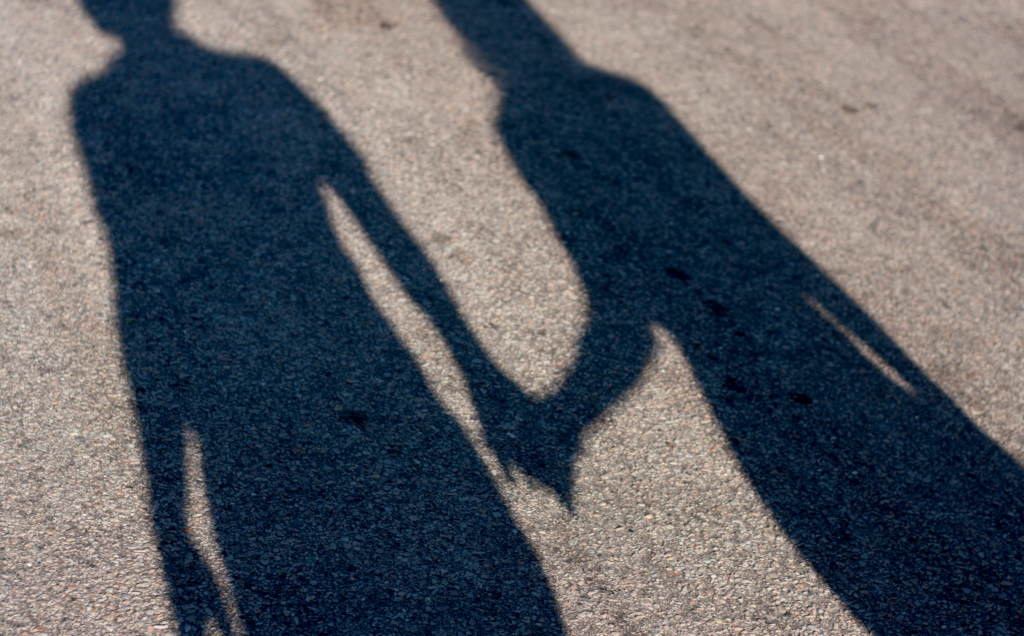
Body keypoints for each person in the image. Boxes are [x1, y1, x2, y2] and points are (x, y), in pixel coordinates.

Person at [74, 0, 563, 633]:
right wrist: (473, 363)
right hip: (357, 348)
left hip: (234, 390)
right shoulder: (250, 77)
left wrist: (170, 519)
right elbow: (372, 210)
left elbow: (131, 270)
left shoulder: (98, 100)